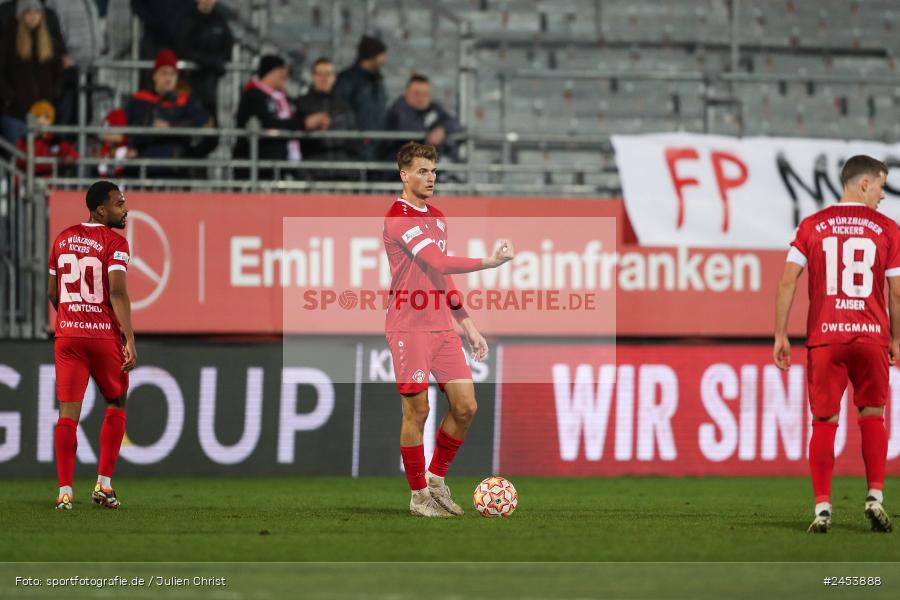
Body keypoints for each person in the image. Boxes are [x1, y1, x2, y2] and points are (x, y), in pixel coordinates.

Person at [383, 141, 514, 517]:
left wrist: (467, 324)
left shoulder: (437, 217)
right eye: (423, 171)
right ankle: (418, 496)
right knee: (418, 412)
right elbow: (437, 259)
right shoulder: (399, 216)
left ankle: (436, 481)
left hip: (441, 326)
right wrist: (490, 262)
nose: (431, 178)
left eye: (434, 171)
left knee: (466, 406)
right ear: (404, 175)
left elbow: (438, 274)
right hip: (408, 326)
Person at [774, 155, 897, 534]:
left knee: (823, 421)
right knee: (872, 414)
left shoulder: (812, 226)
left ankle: (822, 508)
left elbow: (787, 281)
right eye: (879, 186)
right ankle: (874, 497)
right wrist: (896, 337)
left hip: (826, 337)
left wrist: (780, 334)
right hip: (870, 336)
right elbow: (896, 289)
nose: (881, 195)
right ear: (862, 185)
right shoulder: (888, 229)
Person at [48, 180, 136, 511]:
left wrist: (72, 319)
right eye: (119, 203)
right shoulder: (115, 242)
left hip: (68, 336)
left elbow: (53, 293)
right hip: (102, 336)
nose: (125, 208)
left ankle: (65, 492)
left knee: (67, 416)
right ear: (101, 210)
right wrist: (128, 336)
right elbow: (116, 292)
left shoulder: (62, 237)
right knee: (116, 403)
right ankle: (104, 484)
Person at [124, 48, 212, 177]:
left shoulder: (187, 100)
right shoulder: (140, 100)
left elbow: (202, 123)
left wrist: (170, 127)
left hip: (177, 168)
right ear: (155, 76)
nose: (168, 79)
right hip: (144, 167)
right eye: (164, 73)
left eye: (172, 74)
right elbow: (130, 127)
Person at [0, 0, 64, 145]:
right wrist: (10, 98)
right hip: (16, 114)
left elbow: (59, 72)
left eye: (36, 12)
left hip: (43, 115)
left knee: (40, 160)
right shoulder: (9, 42)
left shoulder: (50, 43)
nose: (33, 16)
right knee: (18, 159)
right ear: (21, 15)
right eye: (28, 12)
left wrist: (53, 94)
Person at [233, 54, 304, 180]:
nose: (285, 76)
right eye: (282, 71)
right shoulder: (253, 95)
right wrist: (296, 124)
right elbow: (266, 122)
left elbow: (297, 118)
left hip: (281, 163)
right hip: (258, 166)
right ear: (272, 72)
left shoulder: (283, 97)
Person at [294, 57, 357, 177]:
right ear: (313, 76)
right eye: (319, 74)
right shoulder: (300, 104)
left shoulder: (344, 106)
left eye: (328, 74)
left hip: (342, 173)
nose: (324, 78)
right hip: (311, 172)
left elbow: (353, 140)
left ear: (334, 78)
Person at [175, 0, 234, 118]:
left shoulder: (220, 20)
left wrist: (216, 62)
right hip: (189, 80)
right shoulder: (187, 19)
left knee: (209, 118)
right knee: (188, 115)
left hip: (210, 83)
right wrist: (209, 62)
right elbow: (182, 48)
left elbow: (228, 46)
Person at [333, 35, 387, 161]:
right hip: (354, 150)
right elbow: (340, 112)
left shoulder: (377, 81)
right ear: (372, 55)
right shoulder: (347, 80)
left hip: (377, 148)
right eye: (382, 55)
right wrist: (356, 140)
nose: (385, 59)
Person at [384, 74, 461, 161]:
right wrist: (433, 133)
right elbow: (410, 128)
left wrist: (442, 129)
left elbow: (455, 123)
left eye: (425, 94)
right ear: (406, 93)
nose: (421, 98)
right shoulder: (399, 109)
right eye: (416, 94)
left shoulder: (433, 108)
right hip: (400, 165)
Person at [15, 99, 79, 176]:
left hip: (48, 183)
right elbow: (19, 161)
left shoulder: (55, 140)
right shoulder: (23, 140)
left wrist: (70, 157)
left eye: (46, 117)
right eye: (38, 117)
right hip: (27, 182)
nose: (41, 121)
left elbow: (72, 153)